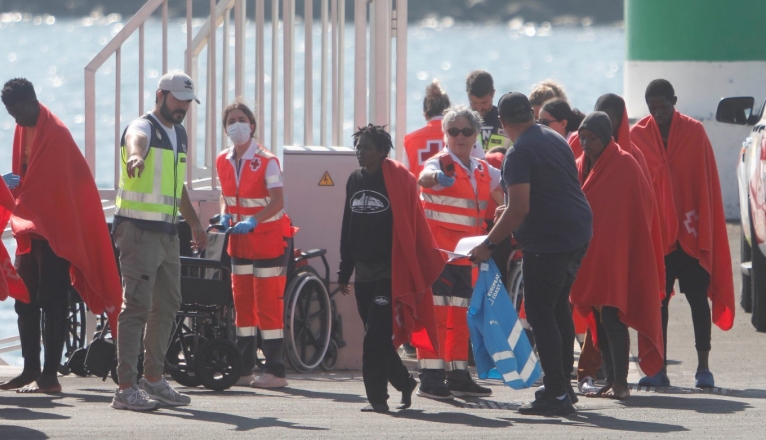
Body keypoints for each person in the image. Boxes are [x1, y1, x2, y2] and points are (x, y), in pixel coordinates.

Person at [469, 92, 592, 416]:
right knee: (558, 309)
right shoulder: (553, 137)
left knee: (540, 312)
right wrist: (508, 210)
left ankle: (555, 391)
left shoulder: (518, 152)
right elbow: (546, 191)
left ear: (502, 123)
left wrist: (488, 245)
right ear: (531, 114)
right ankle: (563, 387)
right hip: (577, 232)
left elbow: (520, 208)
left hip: (550, 241)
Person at [0, 78, 122, 394]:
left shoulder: (56, 133)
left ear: (32, 101)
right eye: (9, 113)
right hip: (31, 231)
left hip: (55, 234)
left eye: (17, 112)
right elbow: (27, 181)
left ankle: (49, 376)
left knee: (53, 301)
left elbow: (62, 186)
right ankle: (30, 369)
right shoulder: (22, 129)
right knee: (24, 300)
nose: (15, 119)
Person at [111, 71, 209, 411]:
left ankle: (153, 379)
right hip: (138, 231)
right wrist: (136, 156)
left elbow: (177, 186)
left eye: (187, 101)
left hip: (168, 233)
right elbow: (134, 140)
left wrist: (194, 223)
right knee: (136, 305)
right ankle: (125, 388)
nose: (182, 106)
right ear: (160, 95)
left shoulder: (179, 133)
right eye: (177, 99)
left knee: (167, 305)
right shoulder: (144, 127)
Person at [630, 79, 734, 388]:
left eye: (664, 106)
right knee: (656, 304)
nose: (658, 112)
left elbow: (705, 184)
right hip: (658, 238)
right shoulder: (638, 136)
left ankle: (703, 367)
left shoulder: (694, 132)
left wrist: (704, 231)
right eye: (653, 107)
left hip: (690, 234)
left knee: (698, 301)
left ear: (674, 101)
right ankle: (657, 368)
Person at [338, 124, 444, 412]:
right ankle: (403, 381)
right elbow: (348, 225)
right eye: (358, 147)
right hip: (363, 270)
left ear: (382, 152)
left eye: (367, 147)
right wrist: (343, 270)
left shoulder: (399, 180)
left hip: (390, 270)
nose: (360, 152)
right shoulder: (354, 179)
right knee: (376, 333)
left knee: (375, 336)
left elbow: (412, 226)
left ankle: (377, 398)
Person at [569, 112, 665, 400]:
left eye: (592, 138)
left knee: (613, 316)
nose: (585, 143)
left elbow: (642, 207)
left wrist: (624, 243)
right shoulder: (580, 166)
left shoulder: (625, 164)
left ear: (607, 137)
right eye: (582, 138)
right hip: (589, 255)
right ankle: (611, 379)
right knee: (599, 321)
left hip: (619, 254)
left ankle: (621, 382)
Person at [416, 104, 504, 400]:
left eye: (467, 131)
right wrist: (438, 179)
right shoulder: (440, 164)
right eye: (454, 131)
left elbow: (504, 194)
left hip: (466, 257)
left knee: (460, 315)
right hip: (438, 256)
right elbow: (423, 178)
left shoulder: (481, 170)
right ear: (445, 135)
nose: (460, 137)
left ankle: (456, 374)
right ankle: (430, 376)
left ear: (476, 135)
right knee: (437, 314)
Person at [216, 100, 295, 389]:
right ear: (226, 128)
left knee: (267, 306)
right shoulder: (223, 159)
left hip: (268, 241)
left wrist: (254, 221)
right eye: (230, 121)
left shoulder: (267, 161)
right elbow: (226, 195)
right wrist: (225, 215)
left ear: (252, 125)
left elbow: (278, 201)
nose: (236, 125)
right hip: (239, 243)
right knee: (243, 308)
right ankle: (244, 368)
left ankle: (276, 371)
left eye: (241, 119)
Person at [403, 79, 450, 177]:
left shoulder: (410, 140)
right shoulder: (460, 136)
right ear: (449, 113)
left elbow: (405, 177)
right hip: (452, 192)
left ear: (425, 115)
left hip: (420, 192)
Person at [465, 70, 510, 157]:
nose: (479, 108)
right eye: (474, 103)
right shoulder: (461, 123)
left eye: (484, 102)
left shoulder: (506, 120)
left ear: (493, 93)